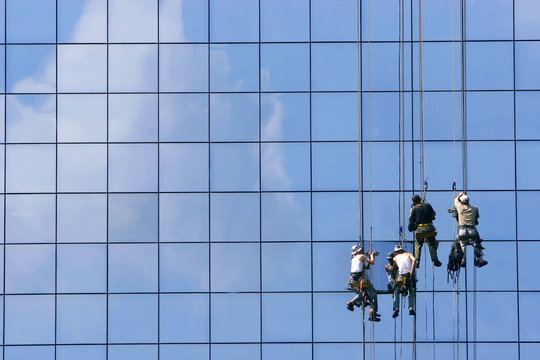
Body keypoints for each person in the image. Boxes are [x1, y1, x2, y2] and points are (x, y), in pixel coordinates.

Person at [346, 245, 380, 322]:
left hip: (354, 280)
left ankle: (352, 302)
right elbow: (372, 262)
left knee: (363, 294)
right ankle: (373, 312)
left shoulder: (354, 259)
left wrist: (368, 260)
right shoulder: (361, 256)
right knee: (373, 293)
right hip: (360, 280)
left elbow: (366, 267)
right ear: (359, 250)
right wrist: (372, 256)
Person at [454, 192, 488, 268]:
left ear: (461, 202)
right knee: (477, 244)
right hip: (472, 230)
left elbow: (455, 199)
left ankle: (463, 260)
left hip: (462, 230)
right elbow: (477, 217)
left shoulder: (459, 207)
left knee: (462, 244)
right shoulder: (475, 208)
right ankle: (480, 259)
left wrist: (460, 194)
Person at [408, 194, 442, 267]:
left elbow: (411, 221)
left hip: (420, 229)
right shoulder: (427, 205)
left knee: (418, 245)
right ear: (420, 199)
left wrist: (410, 228)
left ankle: (417, 261)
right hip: (429, 227)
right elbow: (434, 214)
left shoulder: (414, 209)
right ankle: (435, 259)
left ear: (414, 202)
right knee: (431, 243)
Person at [391, 244, 417, 318]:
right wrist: (412, 272)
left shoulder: (395, 258)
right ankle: (411, 308)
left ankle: (396, 309)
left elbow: (394, 268)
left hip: (401, 277)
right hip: (409, 275)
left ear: (397, 252)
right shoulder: (409, 254)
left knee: (396, 291)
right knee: (410, 291)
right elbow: (414, 260)